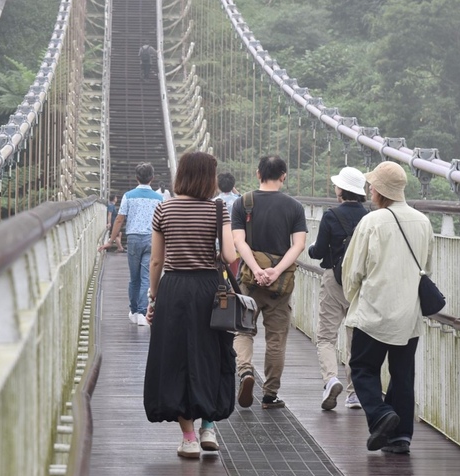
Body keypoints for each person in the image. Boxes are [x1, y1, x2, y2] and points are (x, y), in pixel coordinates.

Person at [143, 151, 237, 458]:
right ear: (210, 178)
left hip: (174, 289)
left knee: (177, 359)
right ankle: (208, 427)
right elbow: (230, 256)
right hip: (209, 288)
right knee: (211, 354)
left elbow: (156, 260)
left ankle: (189, 438)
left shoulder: (165, 208)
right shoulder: (218, 209)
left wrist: (153, 298)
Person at [342, 161, 435, 454]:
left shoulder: (372, 222)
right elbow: (427, 268)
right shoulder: (423, 222)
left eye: (372, 186)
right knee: (402, 374)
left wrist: (353, 297)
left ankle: (381, 414)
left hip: (374, 311)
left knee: (362, 368)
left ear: (380, 191)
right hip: (409, 313)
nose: (369, 190)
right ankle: (400, 436)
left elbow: (352, 270)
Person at [231, 156, 308, 410]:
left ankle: (245, 372)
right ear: (283, 175)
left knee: (244, 331)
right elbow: (299, 245)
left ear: (257, 173)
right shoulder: (295, 207)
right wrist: (275, 271)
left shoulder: (243, 203)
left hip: (249, 282)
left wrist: (256, 269)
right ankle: (270, 394)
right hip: (280, 287)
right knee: (276, 338)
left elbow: (239, 243)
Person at [307, 166, 369, 411]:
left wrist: (312, 248)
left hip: (334, 279)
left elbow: (319, 251)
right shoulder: (369, 217)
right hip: (361, 283)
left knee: (326, 337)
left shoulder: (331, 215)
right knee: (356, 338)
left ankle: (331, 379)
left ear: (341, 189)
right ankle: (354, 394)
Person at [103, 163, 164, 325]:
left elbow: (120, 219)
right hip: (152, 239)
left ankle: (135, 310)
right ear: (152, 178)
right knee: (146, 278)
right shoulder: (159, 199)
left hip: (133, 239)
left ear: (136, 178)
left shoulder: (128, 196)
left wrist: (110, 241)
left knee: (134, 278)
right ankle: (143, 313)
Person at [214, 172, 241, 277]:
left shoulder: (213, 202)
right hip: (236, 246)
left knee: (221, 278)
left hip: (218, 247)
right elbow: (240, 196)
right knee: (235, 277)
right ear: (233, 185)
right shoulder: (240, 201)